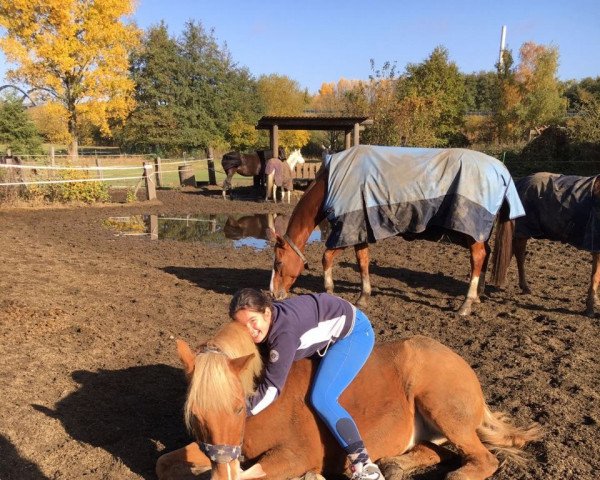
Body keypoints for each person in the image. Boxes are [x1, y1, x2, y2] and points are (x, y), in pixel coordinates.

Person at [229, 288, 384, 480]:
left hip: (354, 333)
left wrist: (240, 411)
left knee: (322, 398)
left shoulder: (283, 335)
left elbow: (271, 389)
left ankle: (365, 465)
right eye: (243, 327)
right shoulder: (268, 321)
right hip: (329, 316)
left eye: (253, 322)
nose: (250, 331)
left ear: (267, 312)